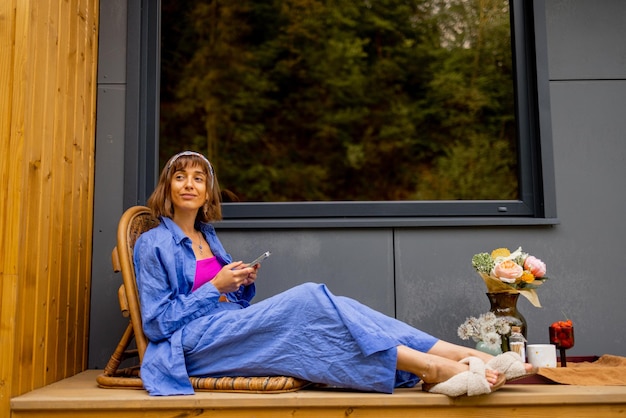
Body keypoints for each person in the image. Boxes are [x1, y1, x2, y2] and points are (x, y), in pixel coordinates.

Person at [134, 151, 533, 397]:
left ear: (208, 192)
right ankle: (433, 368)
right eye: (180, 176)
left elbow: (227, 301)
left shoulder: (208, 237)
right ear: (167, 187)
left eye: (198, 178)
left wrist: (238, 285)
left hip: (228, 329)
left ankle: (458, 354)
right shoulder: (153, 243)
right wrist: (215, 288)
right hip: (190, 347)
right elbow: (156, 325)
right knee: (309, 298)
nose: (189, 184)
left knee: (336, 308)